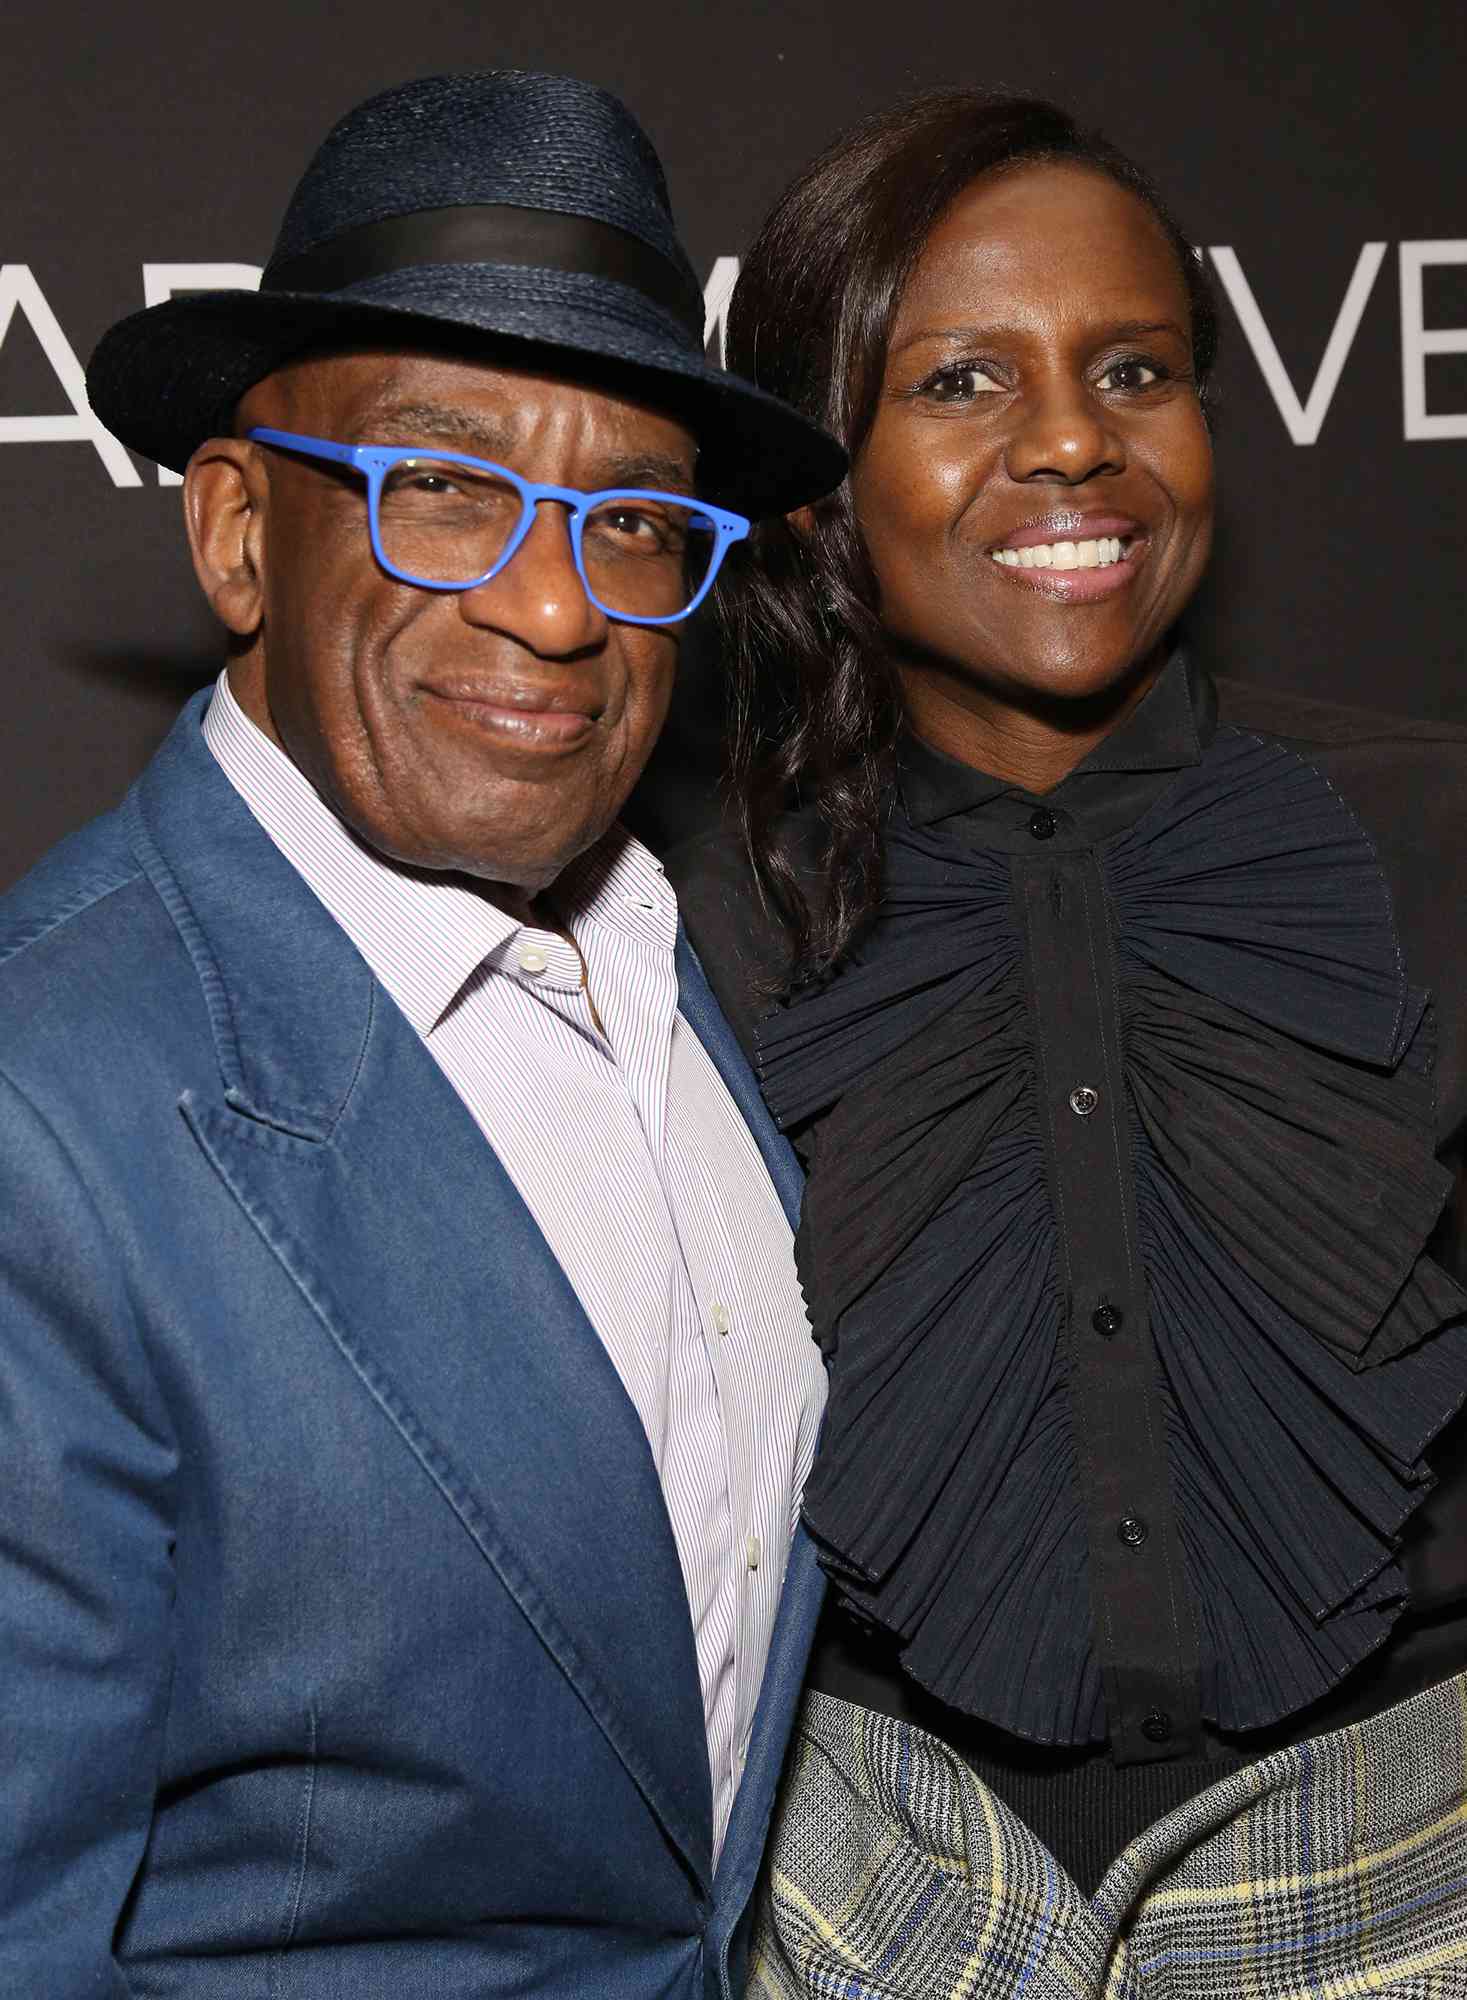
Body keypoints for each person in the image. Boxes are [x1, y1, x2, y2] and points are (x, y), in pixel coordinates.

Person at [0, 70, 848, 1997]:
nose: (557, 608)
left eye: (633, 521)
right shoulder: (42, 1123)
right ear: (234, 537)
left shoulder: (691, 956)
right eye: (444, 488)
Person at [670, 91, 1467, 1996]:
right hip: (866, 1889)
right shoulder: (672, 922)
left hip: (1408, 1867)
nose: (1070, 443)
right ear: (812, 471)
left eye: (1135, 368)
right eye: (959, 381)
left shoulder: (1429, 841)